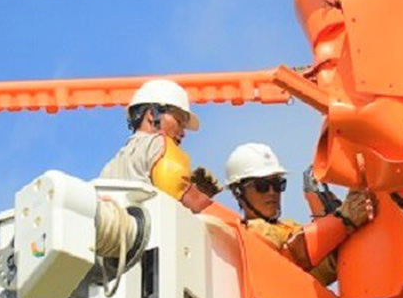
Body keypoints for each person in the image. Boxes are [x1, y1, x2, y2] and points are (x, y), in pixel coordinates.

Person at [225, 143, 375, 285]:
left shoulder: (289, 228)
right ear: (238, 193)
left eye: (277, 184)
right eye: (262, 186)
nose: (272, 192)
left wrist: (329, 212)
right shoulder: (246, 234)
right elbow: (286, 259)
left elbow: (322, 270)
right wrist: (342, 220)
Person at [100, 79, 219, 210]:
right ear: (152, 114)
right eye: (179, 121)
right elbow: (185, 198)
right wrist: (201, 196)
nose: (183, 133)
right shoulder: (160, 143)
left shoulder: (110, 167)